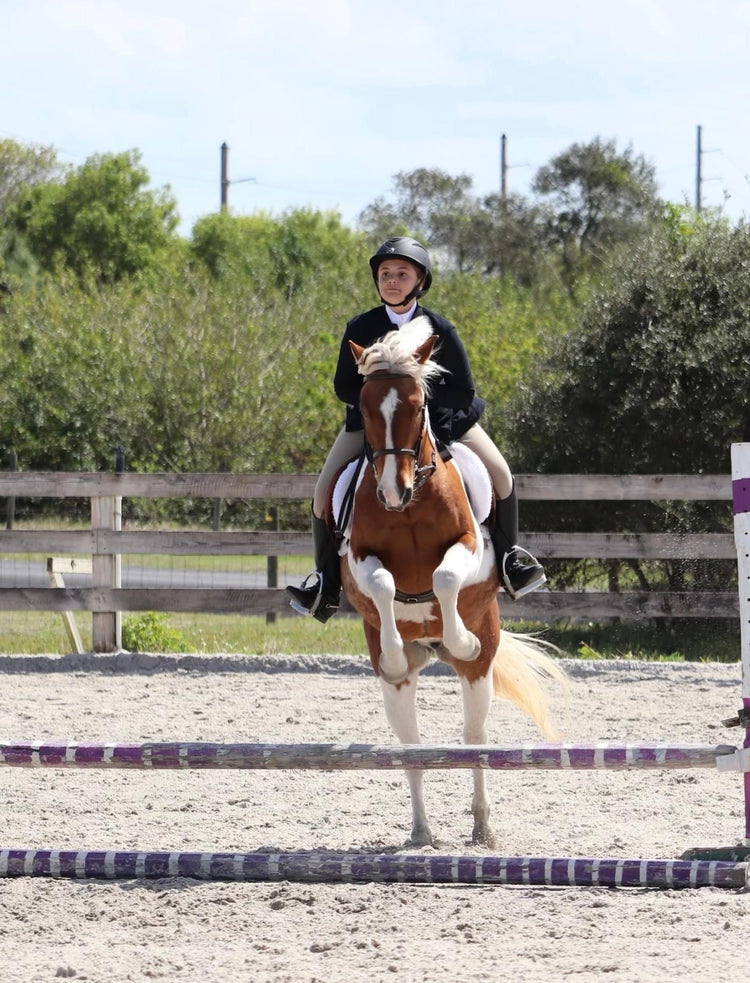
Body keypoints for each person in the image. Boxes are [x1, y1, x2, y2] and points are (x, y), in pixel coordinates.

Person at [286, 236, 545, 623]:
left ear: (420, 280)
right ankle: (324, 583)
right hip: (375, 425)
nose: (392, 280)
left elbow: (463, 391)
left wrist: (416, 406)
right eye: (385, 274)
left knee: (502, 476)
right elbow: (343, 387)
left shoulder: (439, 328)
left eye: (402, 274)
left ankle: (510, 561)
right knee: (323, 493)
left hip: (444, 423)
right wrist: (380, 399)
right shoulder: (361, 326)